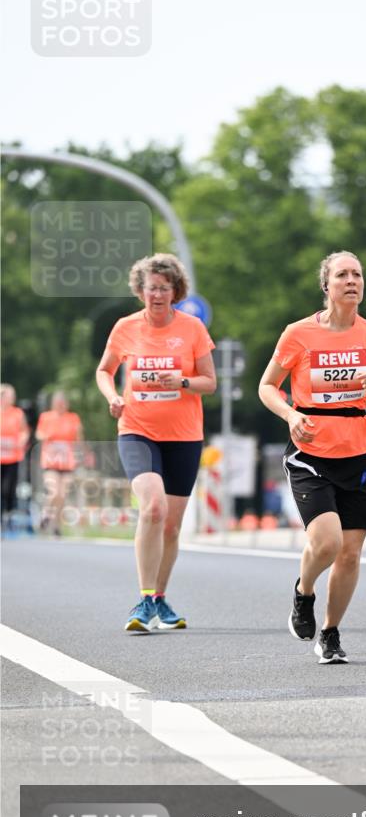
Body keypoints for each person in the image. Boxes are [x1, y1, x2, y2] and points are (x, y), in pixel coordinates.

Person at [258, 250, 366, 664]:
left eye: (357, 274)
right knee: (326, 542)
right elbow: (267, 386)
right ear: (327, 286)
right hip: (311, 451)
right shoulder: (299, 333)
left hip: (358, 453)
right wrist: (290, 414)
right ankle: (303, 594)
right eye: (343, 274)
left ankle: (331, 632)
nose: (352, 280)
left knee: (351, 553)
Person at [96, 253, 216, 632]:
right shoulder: (125, 328)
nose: (158, 294)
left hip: (184, 435)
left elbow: (209, 382)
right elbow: (104, 370)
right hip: (137, 430)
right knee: (152, 507)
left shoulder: (192, 328)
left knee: (172, 527)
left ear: (175, 292)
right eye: (151, 288)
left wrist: (181, 382)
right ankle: (145, 598)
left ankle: (160, 599)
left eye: (165, 288)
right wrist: (113, 397)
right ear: (140, 291)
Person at [35, 391, 83, 536]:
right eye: (58, 403)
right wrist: (48, 436)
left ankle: (56, 525)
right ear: (53, 404)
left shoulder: (73, 418)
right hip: (51, 461)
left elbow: (79, 438)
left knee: (62, 495)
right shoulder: (46, 417)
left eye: (63, 403)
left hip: (67, 462)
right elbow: (38, 434)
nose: (61, 406)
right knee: (54, 492)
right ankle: (46, 514)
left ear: (67, 404)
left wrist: (80, 453)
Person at [1, 384, 30, 532]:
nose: (12, 398)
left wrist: (21, 441)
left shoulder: (17, 413)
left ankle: (8, 515)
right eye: (9, 395)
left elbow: (24, 431)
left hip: (12, 457)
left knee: (8, 489)